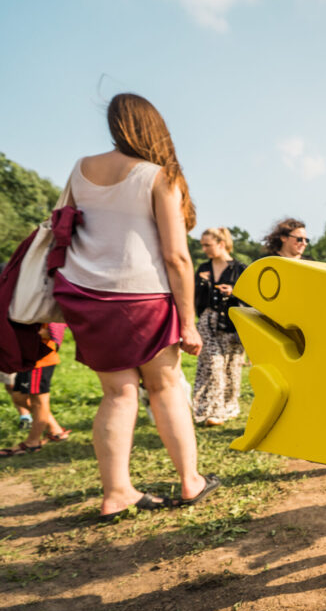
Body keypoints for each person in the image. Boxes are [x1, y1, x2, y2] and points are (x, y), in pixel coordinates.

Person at [52, 92, 219, 521]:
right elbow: (177, 257)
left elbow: (61, 226)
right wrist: (188, 322)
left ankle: (116, 492)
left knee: (117, 394)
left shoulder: (81, 168)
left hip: (87, 294)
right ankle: (190, 481)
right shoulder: (159, 176)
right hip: (143, 296)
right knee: (165, 388)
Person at [192, 227, 247, 427]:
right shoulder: (203, 268)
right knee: (214, 364)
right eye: (202, 245)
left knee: (232, 368)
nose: (204, 249)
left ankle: (230, 406)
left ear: (221, 244)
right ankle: (211, 411)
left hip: (232, 322)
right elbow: (195, 297)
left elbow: (251, 298)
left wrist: (233, 292)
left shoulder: (240, 269)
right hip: (207, 321)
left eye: (208, 245)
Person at [0, 323, 71, 457]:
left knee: (39, 402)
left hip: (40, 359)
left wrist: (48, 333)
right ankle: (55, 429)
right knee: (19, 398)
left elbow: (60, 320)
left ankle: (32, 443)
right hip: (26, 357)